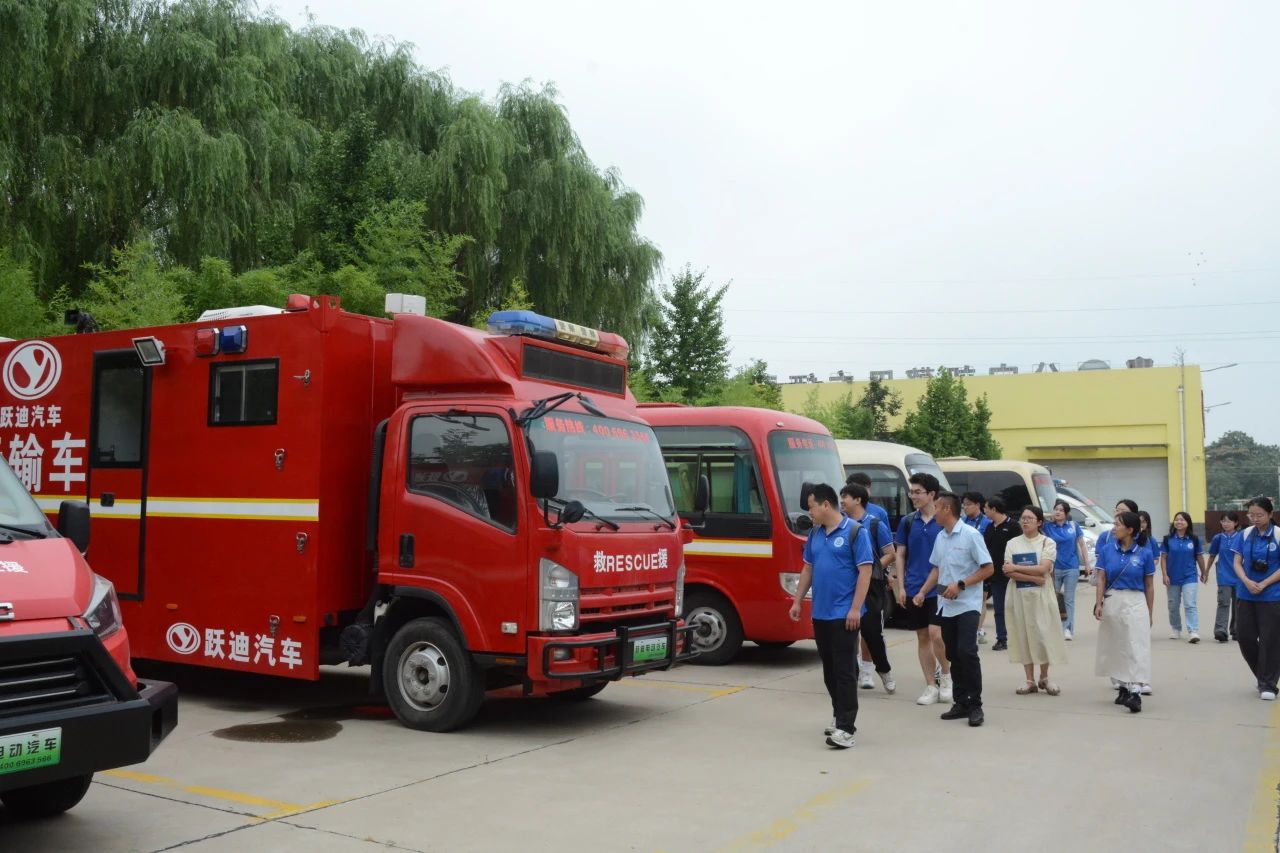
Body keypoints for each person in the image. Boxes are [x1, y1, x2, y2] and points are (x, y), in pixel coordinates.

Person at [787, 484, 874, 747]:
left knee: (845, 670)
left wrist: (856, 608)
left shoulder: (856, 532)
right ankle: (839, 715)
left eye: (812, 506)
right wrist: (798, 601)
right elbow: (807, 569)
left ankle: (847, 728)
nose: (809, 512)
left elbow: (865, 572)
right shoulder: (815, 534)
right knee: (829, 670)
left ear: (826, 505)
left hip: (845, 614)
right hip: (821, 613)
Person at [916, 491, 994, 726]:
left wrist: (961, 584)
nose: (934, 511)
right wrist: (922, 591)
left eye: (936, 507)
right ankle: (960, 702)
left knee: (967, 651)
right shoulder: (941, 537)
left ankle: (975, 705)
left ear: (947, 509)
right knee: (952, 654)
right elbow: (937, 569)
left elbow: (988, 568)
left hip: (968, 605)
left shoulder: (971, 535)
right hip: (946, 606)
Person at [894, 473, 951, 706]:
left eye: (918, 492)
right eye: (912, 491)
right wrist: (900, 585)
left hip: (941, 587)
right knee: (922, 636)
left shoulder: (943, 520)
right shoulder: (908, 521)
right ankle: (931, 685)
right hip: (914, 585)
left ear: (931, 494)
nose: (913, 496)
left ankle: (946, 677)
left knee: (937, 634)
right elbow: (900, 553)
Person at [1093, 511, 1156, 713]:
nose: (1114, 527)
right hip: (1113, 599)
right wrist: (1099, 603)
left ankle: (1136, 690)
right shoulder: (1106, 550)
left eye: (1118, 524)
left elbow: (1149, 585)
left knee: (1136, 643)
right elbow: (1101, 578)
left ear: (1130, 530)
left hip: (1136, 600)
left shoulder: (1144, 553)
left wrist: (1150, 611)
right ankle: (1122, 685)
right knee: (1116, 644)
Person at [1002, 506, 1068, 695]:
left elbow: (1044, 569)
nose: (1025, 521)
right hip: (1018, 596)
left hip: (1041, 597)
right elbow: (1008, 572)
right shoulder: (1012, 543)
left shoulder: (1047, 543)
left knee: (1043, 635)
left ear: (1039, 522)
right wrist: (1034, 578)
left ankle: (1044, 677)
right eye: (1023, 518)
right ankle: (1029, 679)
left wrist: (1020, 568)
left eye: (1030, 518)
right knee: (1022, 634)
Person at [840, 483, 896, 694]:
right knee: (846, 629)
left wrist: (872, 569)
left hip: (871, 585)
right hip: (847, 585)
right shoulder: (841, 524)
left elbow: (890, 552)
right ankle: (853, 673)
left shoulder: (874, 524)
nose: (842, 500)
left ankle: (883, 670)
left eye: (845, 496)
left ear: (858, 500)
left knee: (872, 632)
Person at [1231, 497, 1280, 701]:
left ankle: (1268, 683)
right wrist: (1247, 581)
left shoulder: (1278, 535)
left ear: (1270, 514)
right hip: (1246, 593)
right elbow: (1237, 562)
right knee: (1245, 637)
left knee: (1270, 639)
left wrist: (1265, 583)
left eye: (1260, 515)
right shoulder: (1244, 534)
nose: (1255, 519)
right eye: (1252, 515)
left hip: (1272, 595)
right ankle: (1263, 675)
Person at [1044, 499, 1090, 641]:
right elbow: (1039, 517)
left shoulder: (1073, 526)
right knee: (1053, 599)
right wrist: (1049, 516)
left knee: (1069, 600)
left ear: (1067, 513)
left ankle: (1067, 629)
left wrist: (1087, 564)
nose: (1057, 512)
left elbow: (1082, 545)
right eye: (1056, 509)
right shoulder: (1048, 526)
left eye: (1061, 510)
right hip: (1054, 568)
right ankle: (1054, 628)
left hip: (1071, 567)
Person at [1161, 511, 1207, 643]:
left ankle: (1193, 631)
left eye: (1182, 520)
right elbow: (1163, 557)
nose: (1179, 522)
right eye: (1177, 520)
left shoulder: (1194, 539)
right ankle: (1176, 628)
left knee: (1190, 604)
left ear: (1188, 523)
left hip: (1190, 576)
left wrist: (1204, 572)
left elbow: (1199, 556)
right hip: (1172, 577)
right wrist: (1164, 574)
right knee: (1173, 605)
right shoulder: (1167, 539)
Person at [983, 496, 1020, 651]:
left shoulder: (1013, 526)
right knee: (999, 609)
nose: (984, 511)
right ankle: (1002, 638)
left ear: (994, 509)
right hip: (996, 576)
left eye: (986, 508)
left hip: (1014, 576)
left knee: (1016, 608)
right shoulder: (990, 527)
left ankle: (1019, 638)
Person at [960, 491, 992, 643]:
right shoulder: (961, 521)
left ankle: (978, 629)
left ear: (977, 505)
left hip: (981, 565)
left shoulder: (986, 523)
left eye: (968, 504)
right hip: (964, 566)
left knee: (982, 598)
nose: (965, 507)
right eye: (963, 504)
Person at [1208, 511, 1241, 642]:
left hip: (1240, 576)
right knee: (1223, 602)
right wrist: (1205, 571)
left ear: (1236, 523)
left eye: (1229, 521)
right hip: (1223, 576)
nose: (1226, 524)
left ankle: (1237, 629)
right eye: (1224, 521)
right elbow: (1212, 555)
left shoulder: (1242, 537)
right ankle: (1220, 630)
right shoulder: (1218, 538)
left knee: (1239, 605)